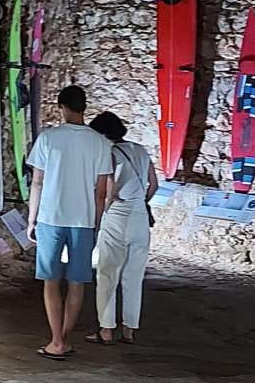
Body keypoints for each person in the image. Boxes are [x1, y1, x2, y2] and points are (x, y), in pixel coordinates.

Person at [26, 85, 112, 360]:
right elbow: (101, 192)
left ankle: (55, 341)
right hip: (83, 219)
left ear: (62, 107)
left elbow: (37, 182)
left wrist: (31, 219)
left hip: (51, 216)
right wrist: (96, 224)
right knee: (77, 283)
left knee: (50, 281)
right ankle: (64, 338)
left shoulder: (49, 138)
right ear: (84, 107)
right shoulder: (100, 142)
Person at [87, 111, 157, 345]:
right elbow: (153, 185)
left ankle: (106, 329)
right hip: (139, 216)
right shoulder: (140, 150)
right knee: (133, 276)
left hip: (118, 215)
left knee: (107, 273)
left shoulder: (110, 154)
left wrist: (101, 214)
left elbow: (109, 190)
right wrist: (140, 202)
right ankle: (129, 329)